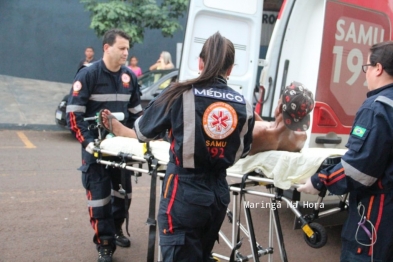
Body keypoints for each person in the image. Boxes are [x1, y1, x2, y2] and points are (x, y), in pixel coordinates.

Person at [100, 32, 255, 261]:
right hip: (218, 194)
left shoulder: (179, 93)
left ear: (200, 62)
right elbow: (243, 150)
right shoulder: (245, 106)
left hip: (184, 192)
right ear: (230, 69)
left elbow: (143, 131)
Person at [298, 41, 393, 262]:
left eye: (366, 67)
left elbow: (359, 169)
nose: (365, 74)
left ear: (378, 68)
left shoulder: (377, 108)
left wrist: (321, 179)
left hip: (375, 214)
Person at [66, 29, 143, 262]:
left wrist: (140, 138)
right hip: (96, 151)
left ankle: (116, 229)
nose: (126, 52)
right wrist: (89, 145)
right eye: (121, 48)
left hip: (122, 151)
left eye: (128, 48)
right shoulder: (88, 75)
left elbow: (137, 115)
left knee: (124, 195)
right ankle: (105, 244)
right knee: (99, 198)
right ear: (106, 48)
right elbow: (73, 115)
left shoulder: (129, 76)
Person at [249, 82, 314, 154]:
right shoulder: (301, 138)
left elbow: (265, 129)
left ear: (279, 108)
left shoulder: (256, 132)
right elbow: (272, 129)